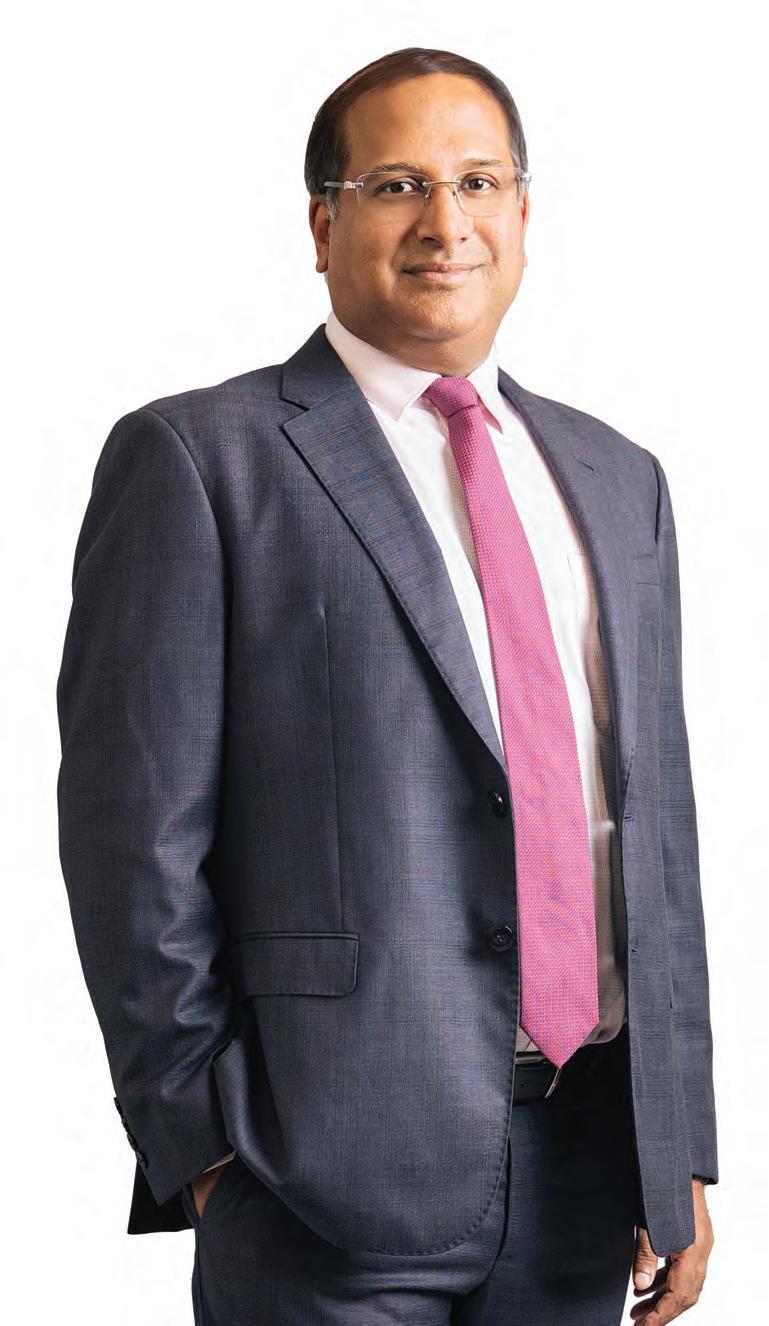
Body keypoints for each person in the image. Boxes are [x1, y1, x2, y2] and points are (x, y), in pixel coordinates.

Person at [56, 45, 717, 1326]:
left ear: (523, 212)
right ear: (323, 224)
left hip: (590, 1168)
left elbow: (655, 835)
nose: (444, 221)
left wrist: (676, 1141)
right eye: (398, 184)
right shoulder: (200, 461)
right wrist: (203, 1143)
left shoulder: (616, 478)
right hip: (315, 1176)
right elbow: (130, 835)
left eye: (478, 182)